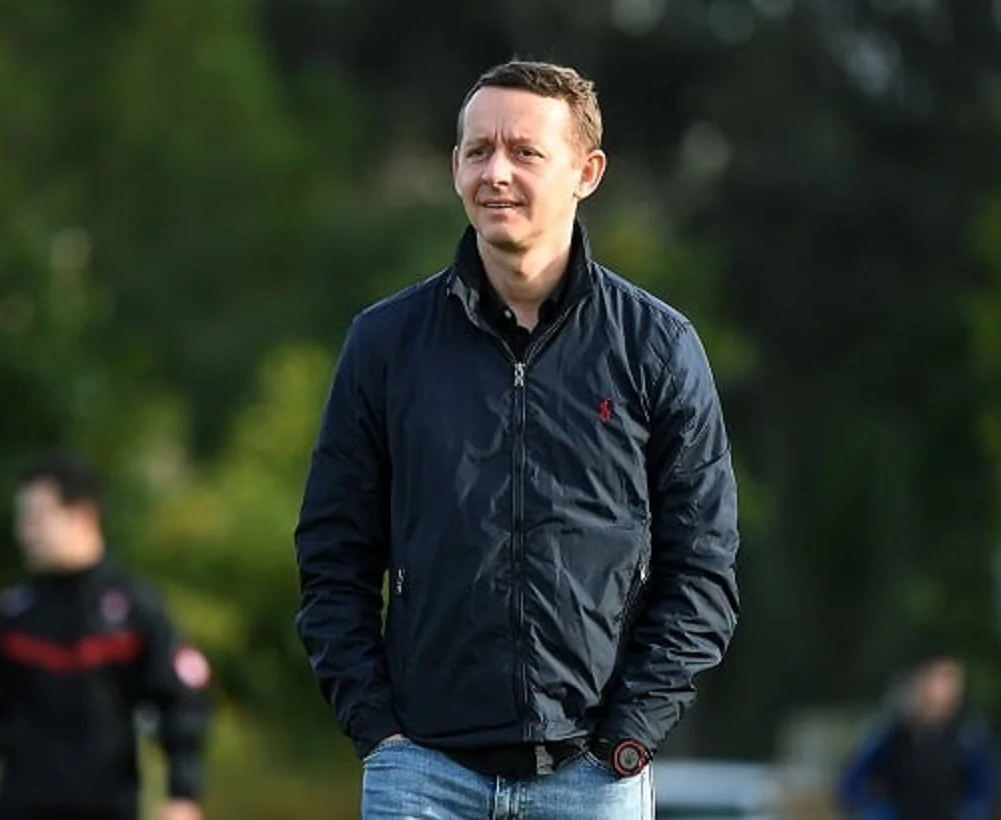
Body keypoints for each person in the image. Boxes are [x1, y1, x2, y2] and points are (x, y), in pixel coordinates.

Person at [293, 59, 741, 819]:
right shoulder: (384, 345)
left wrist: (628, 738)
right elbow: (333, 556)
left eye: (525, 152)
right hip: (422, 775)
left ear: (586, 172)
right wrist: (378, 731)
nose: (495, 173)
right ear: (455, 168)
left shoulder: (657, 348)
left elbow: (703, 569)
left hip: (594, 776)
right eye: (478, 151)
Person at [0, 454, 211, 820]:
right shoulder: (16, 614)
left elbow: (181, 704)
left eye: (37, 518)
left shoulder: (133, 609)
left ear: (82, 516)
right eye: (22, 520)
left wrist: (182, 794)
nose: (24, 533)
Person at [837, 650, 995, 820]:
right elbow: (855, 778)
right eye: (939, 680)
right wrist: (869, 808)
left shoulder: (967, 735)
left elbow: (982, 789)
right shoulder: (892, 731)